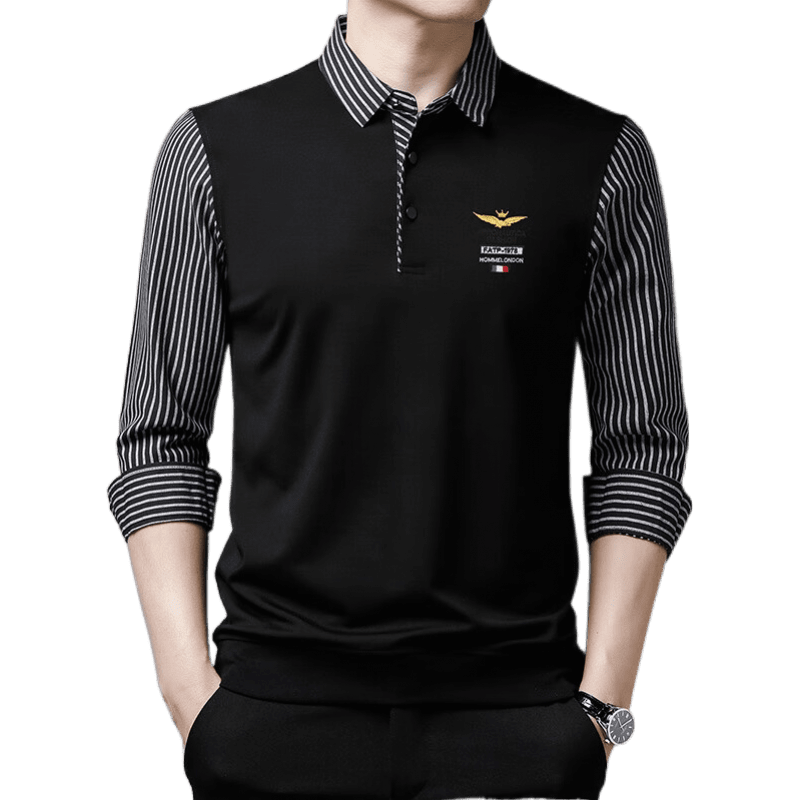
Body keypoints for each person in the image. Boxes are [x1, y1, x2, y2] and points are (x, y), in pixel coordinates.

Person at [105, 1, 693, 797]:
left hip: (522, 723)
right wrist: (189, 694)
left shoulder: (600, 154)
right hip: (271, 716)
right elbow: (161, 436)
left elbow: (642, 446)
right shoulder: (212, 148)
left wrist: (601, 709)